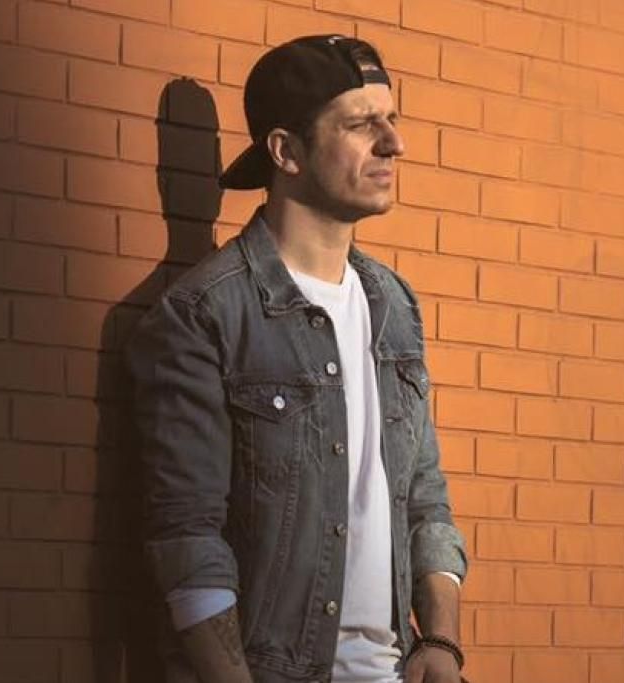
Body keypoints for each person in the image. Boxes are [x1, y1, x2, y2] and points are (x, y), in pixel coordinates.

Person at [127, 35, 468, 683]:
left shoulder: (393, 304)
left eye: (391, 120)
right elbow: (187, 537)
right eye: (361, 124)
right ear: (285, 151)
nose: (394, 143)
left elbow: (425, 500)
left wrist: (442, 641)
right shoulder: (207, 313)